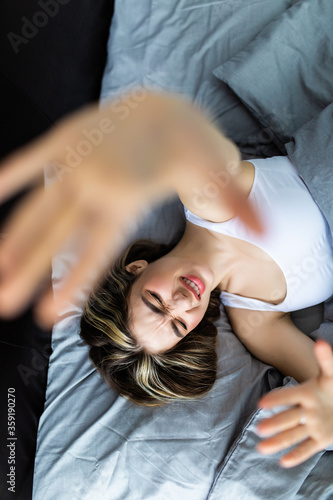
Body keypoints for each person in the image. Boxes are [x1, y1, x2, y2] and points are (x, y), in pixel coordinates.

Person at [0, 88, 332, 468]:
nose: (181, 303)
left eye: (154, 302)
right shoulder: (254, 322)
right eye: (176, 326)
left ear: (136, 269)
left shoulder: (209, 202)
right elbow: (324, 383)